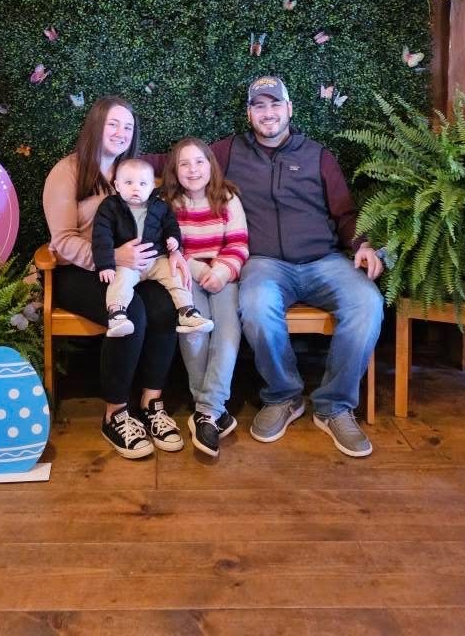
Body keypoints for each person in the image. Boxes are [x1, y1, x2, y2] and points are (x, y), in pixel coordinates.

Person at [209, 76, 384, 458]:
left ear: (289, 109)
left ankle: (335, 406)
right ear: (249, 114)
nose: (268, 113)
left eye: (275, 104)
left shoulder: (318, 155)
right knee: (255, 305)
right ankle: (284, 396)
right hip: (265, 264)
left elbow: (345, 213)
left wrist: (362, 244)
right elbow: (179, 160)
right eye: (259, 106)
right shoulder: (228, 152)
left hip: (325, 261)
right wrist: (114, 162)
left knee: (368, 303)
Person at [43, 96, 190, 459]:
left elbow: (161, 213)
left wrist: (173, 251)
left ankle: (152, 404)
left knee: (163, 306)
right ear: (96, 125)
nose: (121, 132)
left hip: (134, 270)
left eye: (128, 126)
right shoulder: (68, 172)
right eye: (113, 124)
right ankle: (116, 413)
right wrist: (112, 257)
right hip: (79, 272)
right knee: (131, 313)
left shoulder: (132, 172)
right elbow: (62, 242)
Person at [160, 138, 249, 457]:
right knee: (194, 330)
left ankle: (206, 408)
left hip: (224, 275)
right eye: (184, 164)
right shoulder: (168, 203)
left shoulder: (227, 198)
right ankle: (211, 411)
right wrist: (199, 270)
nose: (193, 169)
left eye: (199, 162)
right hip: (188, 275)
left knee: (228, 332)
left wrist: (222, 271)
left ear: (211, 165)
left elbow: (238, 244)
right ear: (174, 170)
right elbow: (168, 248)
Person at [92, 157, 214, 337]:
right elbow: (101, 236)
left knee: (176, 275)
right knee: (120, 281)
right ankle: (117, 315)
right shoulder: (110, 207)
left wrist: (174, 240)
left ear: (151, 188)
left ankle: (187, 312)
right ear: (117, 186)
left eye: (142, 184)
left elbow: (171, 225)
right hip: (128, 263)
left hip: (157, 259)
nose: (136, 188)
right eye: (128, 183)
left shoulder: (160, 206)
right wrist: (106, 264)